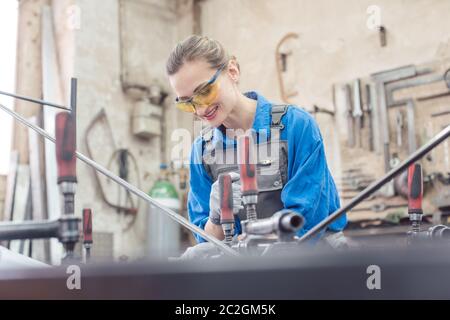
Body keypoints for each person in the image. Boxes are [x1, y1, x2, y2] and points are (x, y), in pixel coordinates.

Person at [166, 35, 346, 244]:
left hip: (314, 261)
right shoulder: (202, 151)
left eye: (204, 92)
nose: (200, 110)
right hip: (246, 265)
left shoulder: (295, 126)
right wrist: (216, 219)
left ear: (232, 71)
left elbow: (306, 221)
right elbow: (205, 241)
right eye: (188, 103)